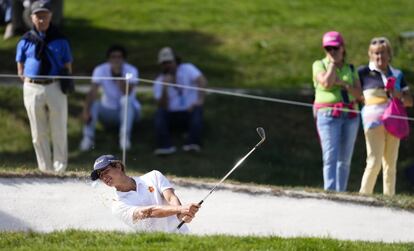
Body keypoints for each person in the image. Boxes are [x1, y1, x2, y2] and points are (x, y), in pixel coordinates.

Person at [16, 1, 72, 173]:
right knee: (38, 130)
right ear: (31, 18)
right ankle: (45, 168)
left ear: (50, 16)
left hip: (55, 84)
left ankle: (60, 166)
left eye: (45, 15)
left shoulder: (61, 39)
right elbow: (20, 63)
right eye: (38, 16)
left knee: (59, 127)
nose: (42, 19)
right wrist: (25, 78)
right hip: (33, 86)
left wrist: (66, 82)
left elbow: (68, 64)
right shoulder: (25, 40)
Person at [358, 37, 413, 196]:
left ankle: (389, 198)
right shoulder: (363, 72)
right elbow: (356, 95)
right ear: (370, 55)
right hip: (373, 122)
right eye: (375, 53)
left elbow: (409, 101)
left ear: (389, 54)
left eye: (382, 53)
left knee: (390, 163)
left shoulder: (397, 74)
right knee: (374, 161)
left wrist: (398, 95)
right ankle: (364, 196)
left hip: (394, 121)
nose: (379, 57)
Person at [90, 154, 200, 233]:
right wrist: (181, 209)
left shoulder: (154, 176)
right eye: (100, 176)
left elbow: (171, 198)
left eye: (106, 171)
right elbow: (148, 212)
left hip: (182, 236)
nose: (104, 177)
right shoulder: (117, 205)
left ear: (118, 167)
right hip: (157, 245)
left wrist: (181, 215)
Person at [312, 31, 362, 192]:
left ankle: (342, 193)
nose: (332, 52)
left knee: (345, 159)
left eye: (335, 48)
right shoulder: (319, 65)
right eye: (328, 49)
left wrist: (344, 84)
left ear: (342, 48)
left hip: (350, 115)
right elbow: (326, 83)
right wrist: (332, 64)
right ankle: (330, 192)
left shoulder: (351, 68)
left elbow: (359, 94)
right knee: (330, 156)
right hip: (328, 115)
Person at [79, 45, 141, 151]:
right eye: (113, 57)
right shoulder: (100, 69)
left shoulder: (131, 70)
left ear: (123, 58)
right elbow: (92, 92)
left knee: (126, 100)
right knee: (94, 104)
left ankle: (124, 139)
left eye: (119, 57)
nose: (116, 60)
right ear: (108, 58)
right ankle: (88, 138)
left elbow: (128, 92)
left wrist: (118, 75)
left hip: (131, 113)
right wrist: (86, 110)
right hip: (108, 111)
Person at [153, 47, 208, 155]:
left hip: (190, 111)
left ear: (176, 60)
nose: (167, 65)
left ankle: (193, 144)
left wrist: (200, 100)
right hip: (172, 115)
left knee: (198, 110)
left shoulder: (187, 68)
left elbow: (202, 81)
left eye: (169, 62)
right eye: (164, 63)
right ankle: (165, 146)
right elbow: (162, 105)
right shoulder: (159, 81)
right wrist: (165, 87)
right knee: (159, 113)